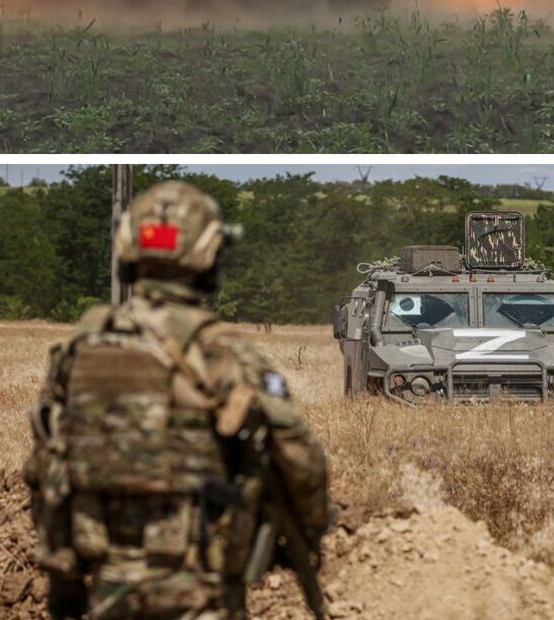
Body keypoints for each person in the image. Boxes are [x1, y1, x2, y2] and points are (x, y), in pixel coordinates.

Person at [25, 181, 332, 619]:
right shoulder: (224, 354)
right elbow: (301, 461)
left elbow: (46, 465)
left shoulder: (80, 349)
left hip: (106, 586)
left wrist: (62, 572)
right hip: (199, 590)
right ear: (209, 255)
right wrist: (312, 529)